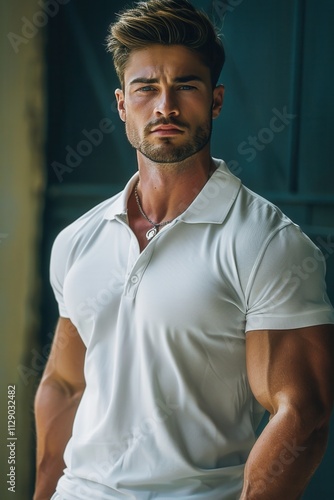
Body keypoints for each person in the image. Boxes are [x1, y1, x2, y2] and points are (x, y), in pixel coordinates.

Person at [33, 0, 334, 498]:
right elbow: (64, 384)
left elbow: (303, 415)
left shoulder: (268, 244)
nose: (165, 106)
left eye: (186, 87)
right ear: (121, 102)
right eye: (146, 88)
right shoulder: (78, 240)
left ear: (215, 101)